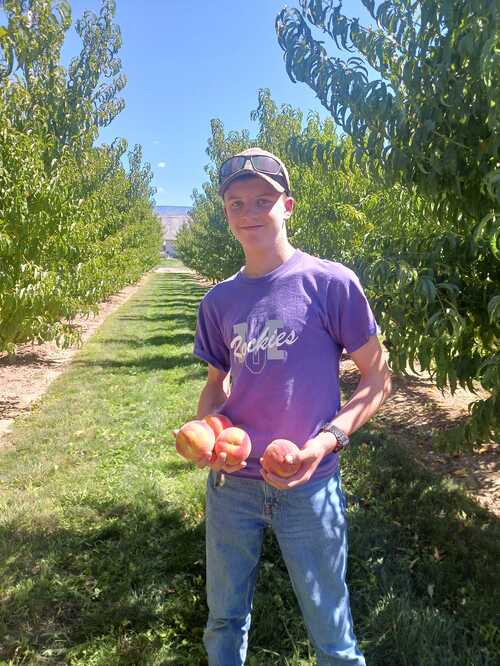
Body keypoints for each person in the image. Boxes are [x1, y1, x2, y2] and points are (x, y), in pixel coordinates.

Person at [187, 147, 392, 665]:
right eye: (236, 204)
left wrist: (326, 443)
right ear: (225, 214)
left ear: (288, 206)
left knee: (332, 633)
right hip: (232, 487)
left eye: (262, 200)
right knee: (224, 620)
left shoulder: (331, 284)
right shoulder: (218, 301)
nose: (249, 212)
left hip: (310, 483)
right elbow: (215, 386)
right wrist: (208, 430)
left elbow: (378, 378)